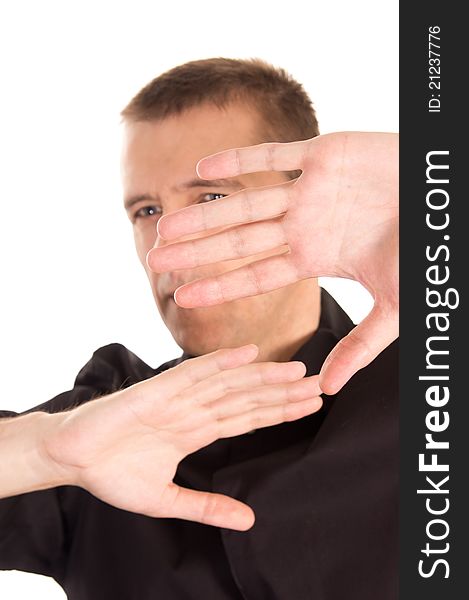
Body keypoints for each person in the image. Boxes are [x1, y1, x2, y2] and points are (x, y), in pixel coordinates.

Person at [0, 58, 398, 600]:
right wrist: (41, 453)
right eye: (146, 210)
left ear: (311, 197)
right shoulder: (99, 426)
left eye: (211, 198)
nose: (168, 247)